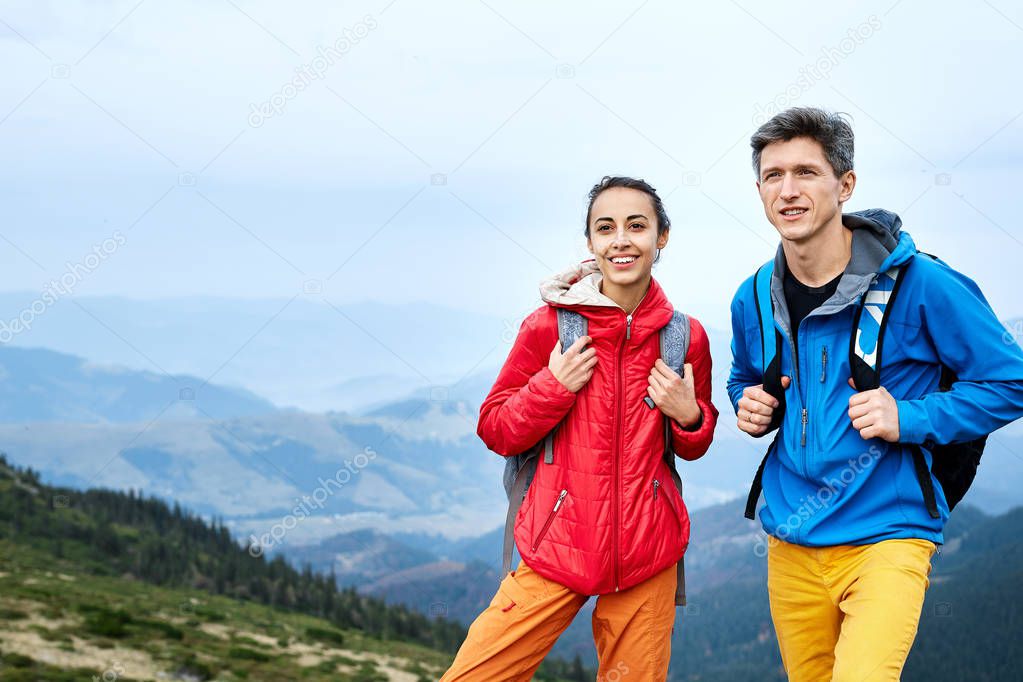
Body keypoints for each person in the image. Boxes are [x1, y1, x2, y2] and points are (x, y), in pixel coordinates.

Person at [727, 106, 1023, 681]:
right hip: (791, 538)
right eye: (772, 175)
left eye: (806, 173)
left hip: (889, 534)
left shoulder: (923, 283)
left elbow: (1011, 380)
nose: (787, 190)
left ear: (846, 184)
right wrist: (751, 404)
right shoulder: (754, 295)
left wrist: (907, 416)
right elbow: (744, 376)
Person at [441, 176, 718, 681]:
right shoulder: (549, 326)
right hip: (555, 544)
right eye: (605, 228)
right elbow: (497, 428)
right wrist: (553, 385)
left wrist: (689, 415)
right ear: (590, 242)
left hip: (647, 553)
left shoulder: (684, 335)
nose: (621, 240)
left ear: (662, 238)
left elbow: (693, 444)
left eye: (637, 226)